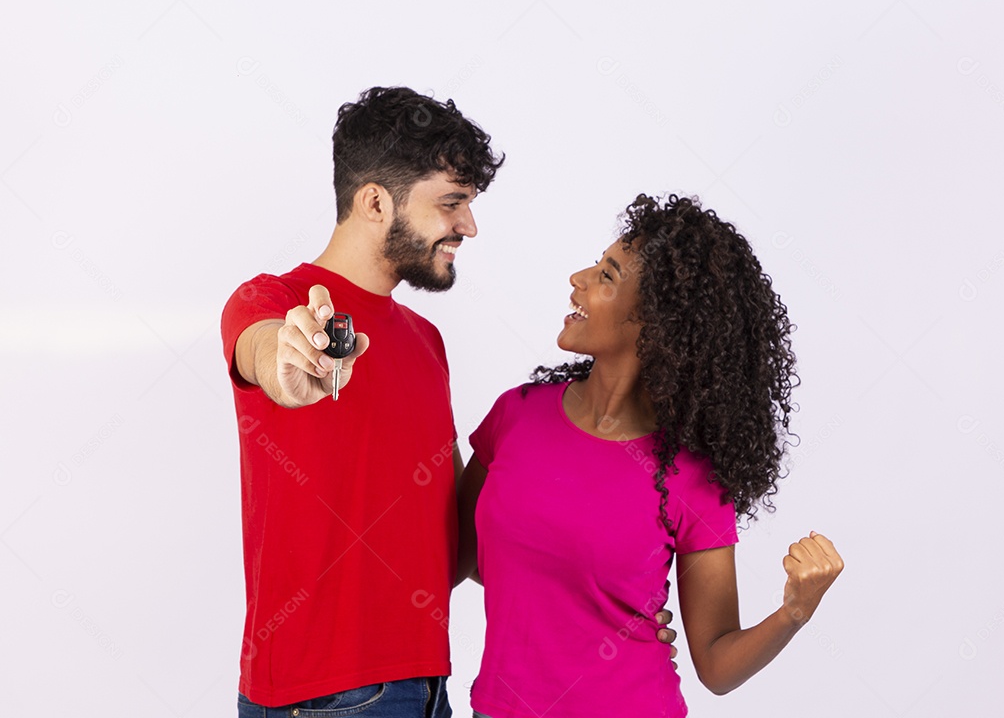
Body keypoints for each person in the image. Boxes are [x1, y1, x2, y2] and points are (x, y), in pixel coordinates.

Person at [457, 194, 845, 718]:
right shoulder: (517, 416)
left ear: (655, 325)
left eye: (607, 276)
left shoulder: (691, 477)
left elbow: (716, 663)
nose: (578, 278)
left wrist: (794, 612)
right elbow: (466, 556)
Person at [220, 86, 503, 716]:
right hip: (322, 697)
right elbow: (267, 351)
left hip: (429, 684)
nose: (469, 226)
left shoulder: (426, 342)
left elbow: (456, 547)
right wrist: (288, 362)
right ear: (375, 201)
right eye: (452, 203)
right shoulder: (271, 301)